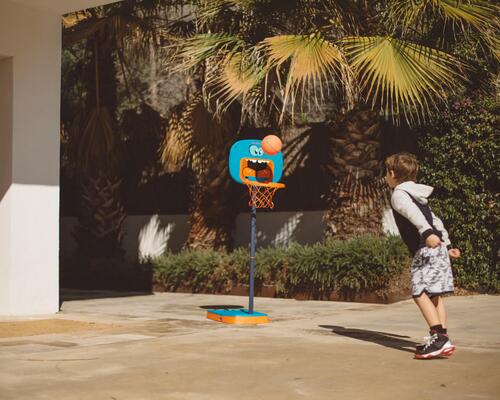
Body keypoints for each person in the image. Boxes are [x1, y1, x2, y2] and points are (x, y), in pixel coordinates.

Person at [385, 152, 461, 359]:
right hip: (437, 247)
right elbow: (435, 219)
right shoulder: (419, 195)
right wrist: (446, 243)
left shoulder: (400, 194)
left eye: (386, 173)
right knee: (434, 294)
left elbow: (414, 215)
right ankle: (442, 338)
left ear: (392, 173)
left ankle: (438, 338)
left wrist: (427, 234)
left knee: (419, 292)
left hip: (425, 247)